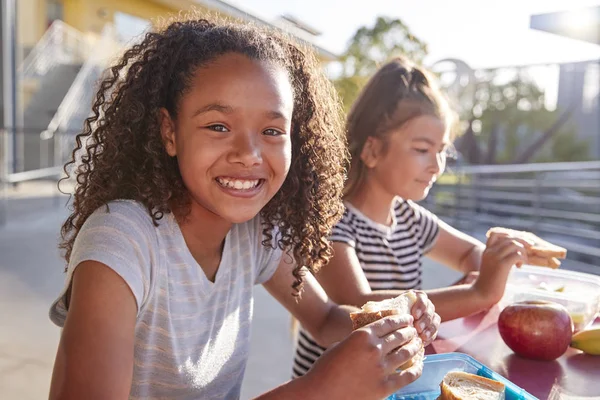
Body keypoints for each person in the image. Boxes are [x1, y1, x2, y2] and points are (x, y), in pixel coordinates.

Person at [47, 15, 439, 400]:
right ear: (170, 132)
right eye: (219, 126)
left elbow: (325, 319)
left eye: (271, 131)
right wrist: (319, 388)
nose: (249, 154)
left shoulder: (255, 233)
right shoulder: (121, 240)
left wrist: (394, 318)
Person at [293, 57, 530, 378]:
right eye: (422, 149)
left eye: (442, 151)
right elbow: (358, 306)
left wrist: (490, 265)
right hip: (332, 387)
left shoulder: (408, 216)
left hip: (391, 381)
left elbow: (469, 254)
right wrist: (478, 294)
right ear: (373, 151)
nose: (436, 165)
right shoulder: (334, 220)